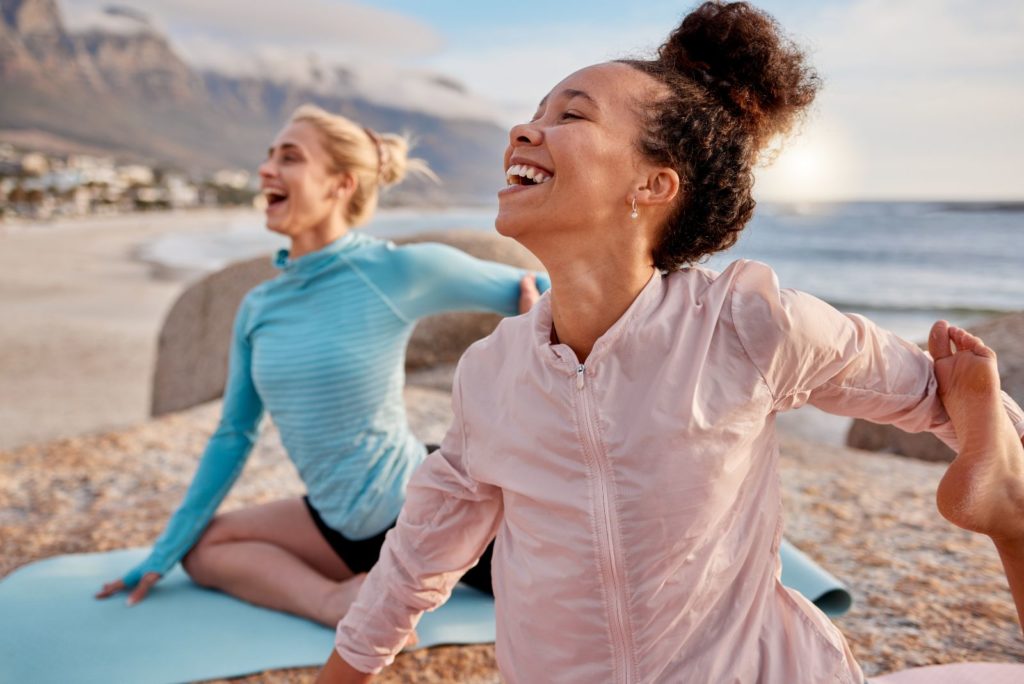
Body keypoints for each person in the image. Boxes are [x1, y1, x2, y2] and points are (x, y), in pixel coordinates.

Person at [315, 3, 1024, 682]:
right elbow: (418, 558)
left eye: (570, 114)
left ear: (653, 184)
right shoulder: (493, 372)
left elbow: (943, 395)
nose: (524, 131)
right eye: (533, 113)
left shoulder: (746, 325)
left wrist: (988, 432)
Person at [95, 104, 546, 626]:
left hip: (422, 509)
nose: (266, 170)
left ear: (340, 184)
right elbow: (233, 434)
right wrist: (163, 551)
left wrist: (535, 339)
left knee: (545, 593)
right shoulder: (259, 307)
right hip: (336, 524)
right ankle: (335, 602)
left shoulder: (397, 269)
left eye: (289, 157)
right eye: (268, 157)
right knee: (204, 549)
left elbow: (539, 292)